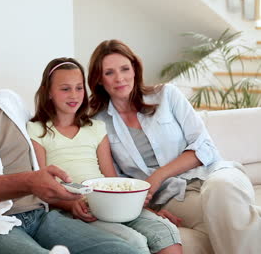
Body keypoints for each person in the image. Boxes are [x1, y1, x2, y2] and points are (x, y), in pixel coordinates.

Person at [0, 29, 140, 254]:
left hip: (39, 215)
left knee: (121, 250)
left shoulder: (10, 101)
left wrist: (69, 199)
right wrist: (29, 182)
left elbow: (48, 144)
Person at [87, 39, 261, 254]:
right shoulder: (99, 123)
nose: (120, 78)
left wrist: (157, 176)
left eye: (125, 68)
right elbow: (116, 182)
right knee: (232, 220)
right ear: (99, 80)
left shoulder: (166, 95)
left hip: (214, 173)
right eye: (109, 72)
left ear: (135, 70)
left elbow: (204, 146)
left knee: (221, 190)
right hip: (174, 198)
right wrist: (149, 211)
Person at [27, 57, 182, 254]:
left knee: (165, 230)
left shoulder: (96, 128)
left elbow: (110, 179)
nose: (74, 95)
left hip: (107, 201)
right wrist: (70, 203)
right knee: (134, 241)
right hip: (72, 208)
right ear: (48, 91)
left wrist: (145, 209)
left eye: (79, 88)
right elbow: (41, 185)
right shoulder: (37, 130)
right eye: (65, 89)